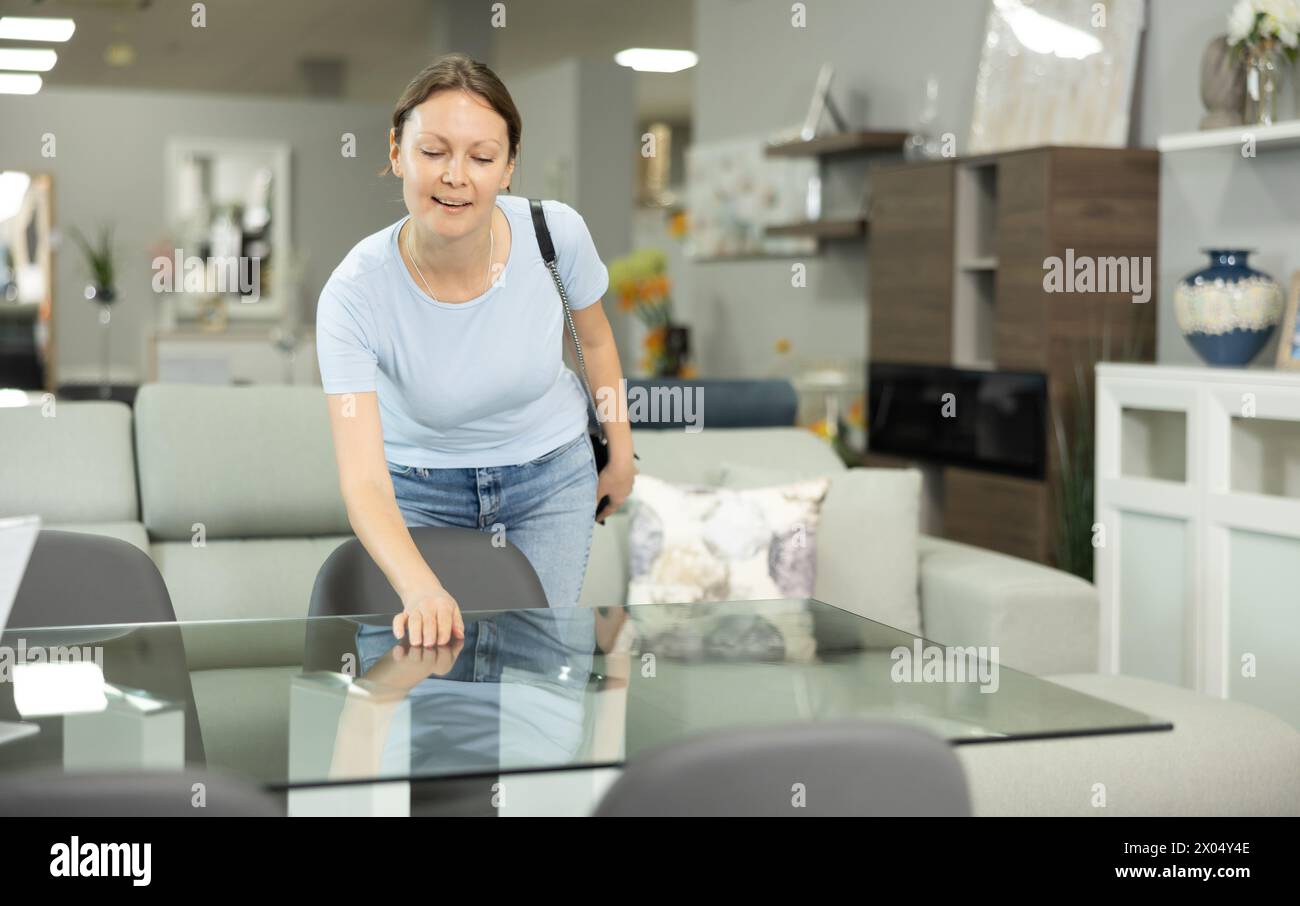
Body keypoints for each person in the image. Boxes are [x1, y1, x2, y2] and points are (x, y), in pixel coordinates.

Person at [316, 53, 636, 647]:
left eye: (482, 157)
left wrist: (620, 453)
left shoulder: (555, 234)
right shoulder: (355, 292)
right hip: (418, 489)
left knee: (539, 676)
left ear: (509, 167)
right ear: (395, 153)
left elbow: (593, 339)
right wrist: (419, 587)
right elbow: (363, 479)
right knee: (424, 679)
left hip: (551, 479)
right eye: (432, 151)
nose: (455, 176)